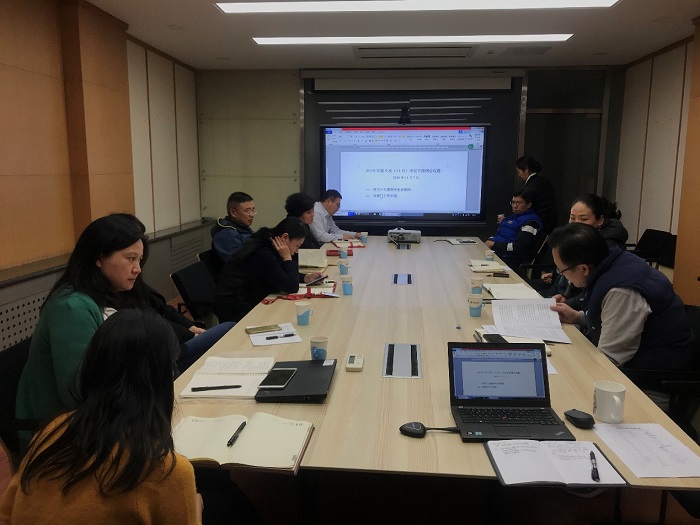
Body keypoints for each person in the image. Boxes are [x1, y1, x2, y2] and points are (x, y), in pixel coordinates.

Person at [0, 310, 203, 524]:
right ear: (164, 379)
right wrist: (195, 507)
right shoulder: (165, 471)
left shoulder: (50, 433)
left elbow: (6, 515)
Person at [549, 223, 692, 371]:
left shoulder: (621, 292)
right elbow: (614, 321)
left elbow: (609, 360)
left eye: (561, 270)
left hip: (652, 371)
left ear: (583, 269)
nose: (563, 275)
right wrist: (578, 317)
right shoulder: (611, 261)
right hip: (637, 356)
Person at [215, 217, 323, 322]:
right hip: (238, 307)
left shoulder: (270, 243)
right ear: (285, 237)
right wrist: (287, 258)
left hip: (251, 299)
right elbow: (291, 287)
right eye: (297, 246)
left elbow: (280, 273)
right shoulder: (263, 253)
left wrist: (306, 277)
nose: (297, 251)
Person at [541, 194, 629, 301]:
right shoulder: (574, 238)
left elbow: (594, 288)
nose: (576, 223)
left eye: (583, 219)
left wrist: (569, 302)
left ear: (600, 220)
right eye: (572, 218)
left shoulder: (607, 247)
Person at [485, 190, 542, 255]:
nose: (515, 206)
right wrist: (491, 240)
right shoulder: (513, 217)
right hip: (495, 251)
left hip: (507, 256)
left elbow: (520, 247)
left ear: (528, 205)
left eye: (519, 203)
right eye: (513, 202)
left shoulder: (531, 222)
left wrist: (494, 244)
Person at [516, 156, 557, 234]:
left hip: (538, 225)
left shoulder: (532, 185)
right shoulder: (542, 181)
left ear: (526, 170)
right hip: (547, 223)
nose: (519, 174)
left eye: (519, 171)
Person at [211, 192, 256, 262]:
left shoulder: (242, 227)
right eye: (247, 211)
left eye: (253, 210)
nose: (252, 215)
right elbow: (238, 262)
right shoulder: (226, 234)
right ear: (233, 212)